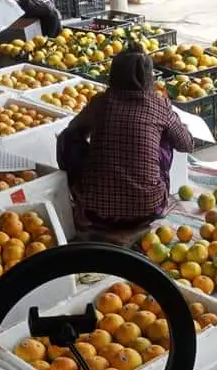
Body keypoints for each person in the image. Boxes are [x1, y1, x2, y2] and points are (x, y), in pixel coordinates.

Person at [57, 45, 194, 239]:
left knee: (68, 138)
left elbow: (73, 130)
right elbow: (186, 144)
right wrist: (179, 126)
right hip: (147, 210)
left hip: (95, 212)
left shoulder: (101, 102)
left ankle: (80, 196)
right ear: (149, 77)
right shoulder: (159, 105)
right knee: (163, 139)